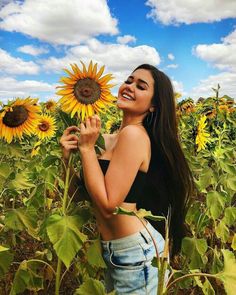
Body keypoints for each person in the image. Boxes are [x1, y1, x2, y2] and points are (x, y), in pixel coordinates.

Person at [60, 64, 195, 294]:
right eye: (129, 81)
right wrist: (66, 158)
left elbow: (109, 204)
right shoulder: (108, 139)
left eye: (141, 86)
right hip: (115, 251)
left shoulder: (134, 136)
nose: (130, 86)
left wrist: (86, 150)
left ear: (153, 106)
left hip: (136, 254)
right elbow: (81, 195)